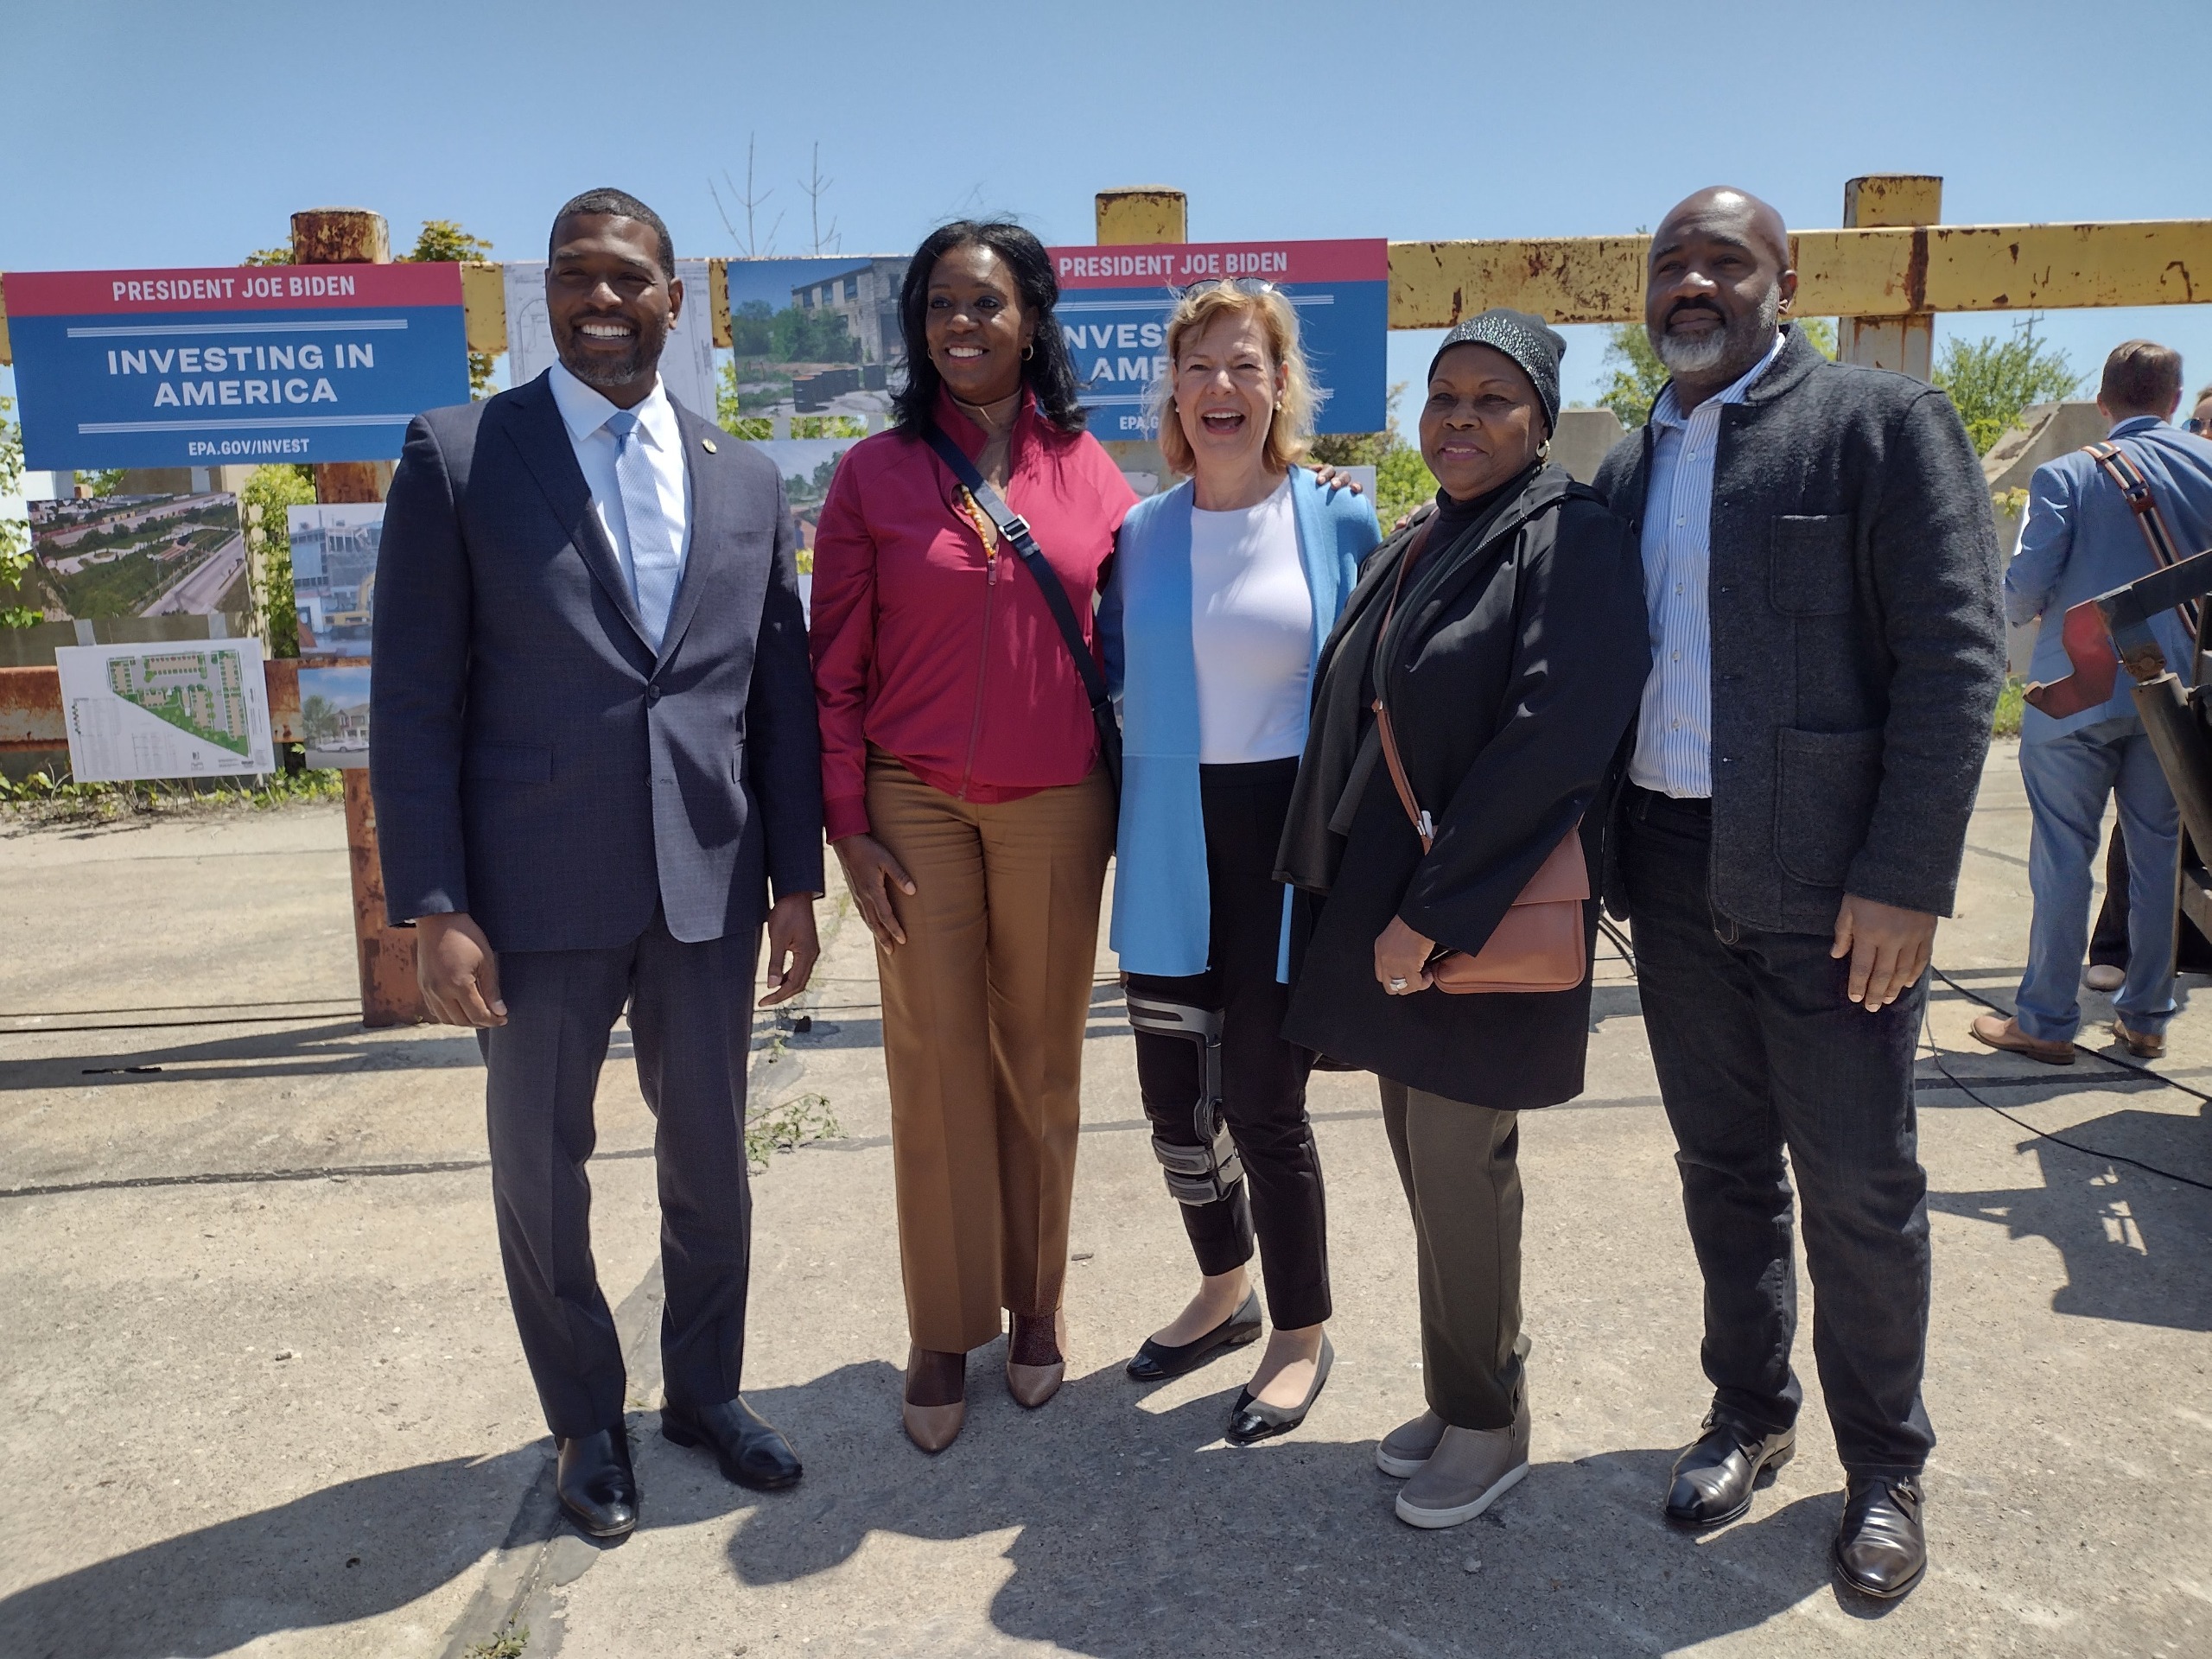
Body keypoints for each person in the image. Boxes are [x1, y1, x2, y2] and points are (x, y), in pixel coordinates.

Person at [372, 188, 822, 1539]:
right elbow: (414, 702)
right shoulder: (460, 455)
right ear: (544, 299)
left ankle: (706, 1395)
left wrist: (795, 882)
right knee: (538, 1172)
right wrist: (436, 906)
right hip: (533, 896)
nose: (602, 301)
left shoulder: (743, 476)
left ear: (675, 300)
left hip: (708, 885)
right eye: (575, 278)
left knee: (711, 1161)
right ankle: (584, 1421)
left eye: (628, 278)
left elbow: (775, 697)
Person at [1593, 188, 2005, 1600]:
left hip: (1834, 896)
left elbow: (1957, 658)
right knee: (1723, 1175)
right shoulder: (1634, 453)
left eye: (1725, 262)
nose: (1692, 284)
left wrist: (1904, 879)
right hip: (1668, 868)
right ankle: (1749, 1416)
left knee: (1862, 1192)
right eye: (1670, 266)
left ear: (1785, 283)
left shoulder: (1884, 427)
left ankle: (1884, 1464)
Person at [1277, 310, 1649, 1526]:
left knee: (1463, 1167)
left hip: (1466, 920)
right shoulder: (1431, 535)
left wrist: (1431, 918)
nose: (1462, 420)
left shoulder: (1567, 537)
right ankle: (1460, 1390)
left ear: (1541, 419)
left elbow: (1554, 741)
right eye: (1443, 398)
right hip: (1408, 914)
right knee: (1425, 1168)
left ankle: (1493, 1425)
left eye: (1494, 399)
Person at [810, 220, 1136, 1452]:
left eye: (986, 304)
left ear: (1033, 320)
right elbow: (830, 669)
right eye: (940, 304)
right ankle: (944, 1327)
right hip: (915, 806)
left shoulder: (1095, 476)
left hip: (1058, 802)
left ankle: (1038, 1301)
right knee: (935, 1065)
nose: (962, 324)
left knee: (1042, 1061)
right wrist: (848, 824)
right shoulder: (874, 477)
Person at [1097, 280, 1378, 1442]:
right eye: (1201, 367)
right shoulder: (1140, 531)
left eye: (1245, 366)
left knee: (1266, 1103)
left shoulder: (1337, 518)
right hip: (1169, 837)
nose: (1223, 388)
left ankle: (1299, 1329)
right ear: (1174, 387)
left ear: (1279, 387)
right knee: (1174, 1104)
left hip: (1286, 847)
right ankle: (1224, 1285)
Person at [1974, 341, 2212, 1065]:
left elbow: (2022, 591)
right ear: (2174, 401)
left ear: (2104, 402)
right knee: (2157, 856)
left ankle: (2045, 1023)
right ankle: (2145, 1017)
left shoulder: (2068, 474)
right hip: (2173, 692)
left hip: (2076, 691)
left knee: (2061, 857)